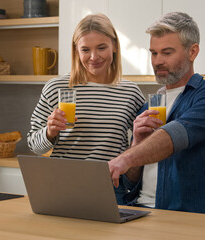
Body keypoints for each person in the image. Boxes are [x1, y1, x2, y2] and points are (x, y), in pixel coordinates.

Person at [108, 12, 205, 216]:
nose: (157, 61)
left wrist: (126, 158)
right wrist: (136, 144)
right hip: (139, 212)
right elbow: (131, 181)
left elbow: (175, 135)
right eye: (153, 53)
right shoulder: (149, 105)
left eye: (167, 53)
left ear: (192, 52)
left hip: (188, 217)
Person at [27, 13, 145, 204]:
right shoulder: (56, 88)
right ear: (76, 51)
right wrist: (49, 132)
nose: (94, 57)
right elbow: (34, 146)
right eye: (85, 49)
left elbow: (145, 140)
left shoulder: (130, 92)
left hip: (112, 188)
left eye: (101, 47)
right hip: (62, 185)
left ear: (114, 46)